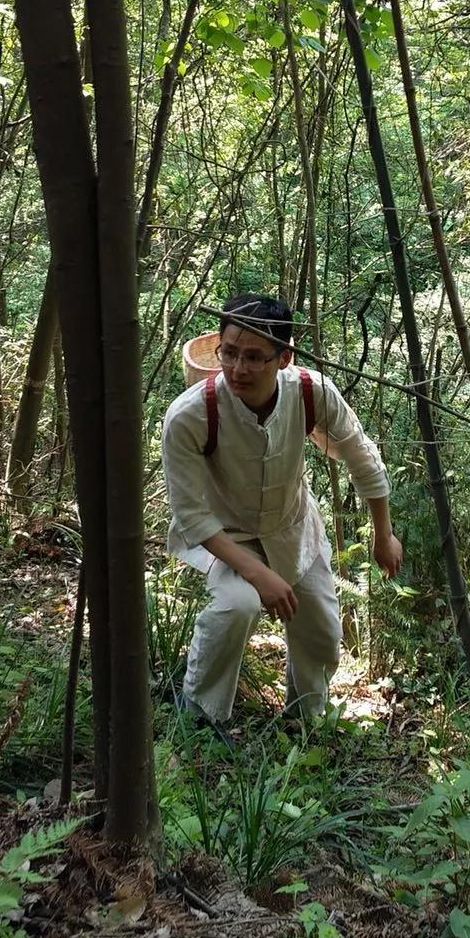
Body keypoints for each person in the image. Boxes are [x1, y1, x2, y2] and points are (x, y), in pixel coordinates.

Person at [162, 294, 402, 732]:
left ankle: (306, 720)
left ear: (284, 357)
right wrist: (259, 575)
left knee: (323, 633)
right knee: (235, 606)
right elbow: (192, 516)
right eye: (230, 353)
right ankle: (200, 718)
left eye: (255, 357)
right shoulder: (192, 414)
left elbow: (361, 457)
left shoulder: (311, 392)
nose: (238, 368)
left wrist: (382, 533)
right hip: (227, 536)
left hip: (293, 525)